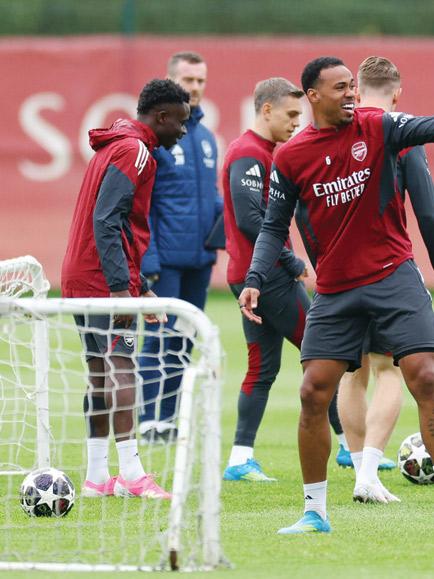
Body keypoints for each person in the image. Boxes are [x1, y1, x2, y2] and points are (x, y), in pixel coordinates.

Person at [239, 56, 434, 534]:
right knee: (312, 392)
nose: (351, 94)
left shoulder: (379, 127)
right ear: (313, 96)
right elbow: (274, 227)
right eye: (340, 88)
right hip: (336, 289)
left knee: (423, 376)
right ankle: (314, 513)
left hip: (393, 277)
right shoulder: (291, 157)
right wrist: (256, 276)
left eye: (352, 86)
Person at [335, 56, 434, 503]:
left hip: (337, 276)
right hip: (386, 271)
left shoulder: (334, 131)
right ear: (397, 92)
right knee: (387, 369)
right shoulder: (401, 132)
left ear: (355, 89)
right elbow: (427, 211)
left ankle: (357, 469)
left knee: (351, 373)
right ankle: (368, 473)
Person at [61, 78, 191, 499]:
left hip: (83, 275)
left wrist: (140, 287)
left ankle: (98, 477)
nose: (183, 131)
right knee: (121, 366)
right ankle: (133, 474)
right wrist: (121, 290)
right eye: (180, 122)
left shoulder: (115, 145)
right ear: (161, 116)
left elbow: (111, 224)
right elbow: (107, 220)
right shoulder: (134, 150)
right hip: (104, 280)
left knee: (99, 371)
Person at [219, 78, 310, 482]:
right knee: (326, 353)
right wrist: (290, 261)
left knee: (262, 367)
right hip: (267, 277)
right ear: (267, 110)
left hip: (252, 275)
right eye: (291, 114)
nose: (296, 123)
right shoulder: (248, 153)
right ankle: (351, 448)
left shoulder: (262, 152)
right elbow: (249, 219)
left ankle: (239, 459)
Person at [139, 51, 223, 445]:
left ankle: (169, 421)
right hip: (165, 261)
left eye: (201, 80)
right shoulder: (157, 136)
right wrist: (149, 259)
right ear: (172, 80)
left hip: (200, 260)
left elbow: (212, 197)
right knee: (157, 339)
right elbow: (143, 204)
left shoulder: (205, 137)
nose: (195, 87)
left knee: (184, 342)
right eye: (188, 80)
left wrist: (223, 234)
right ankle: (147, 421)